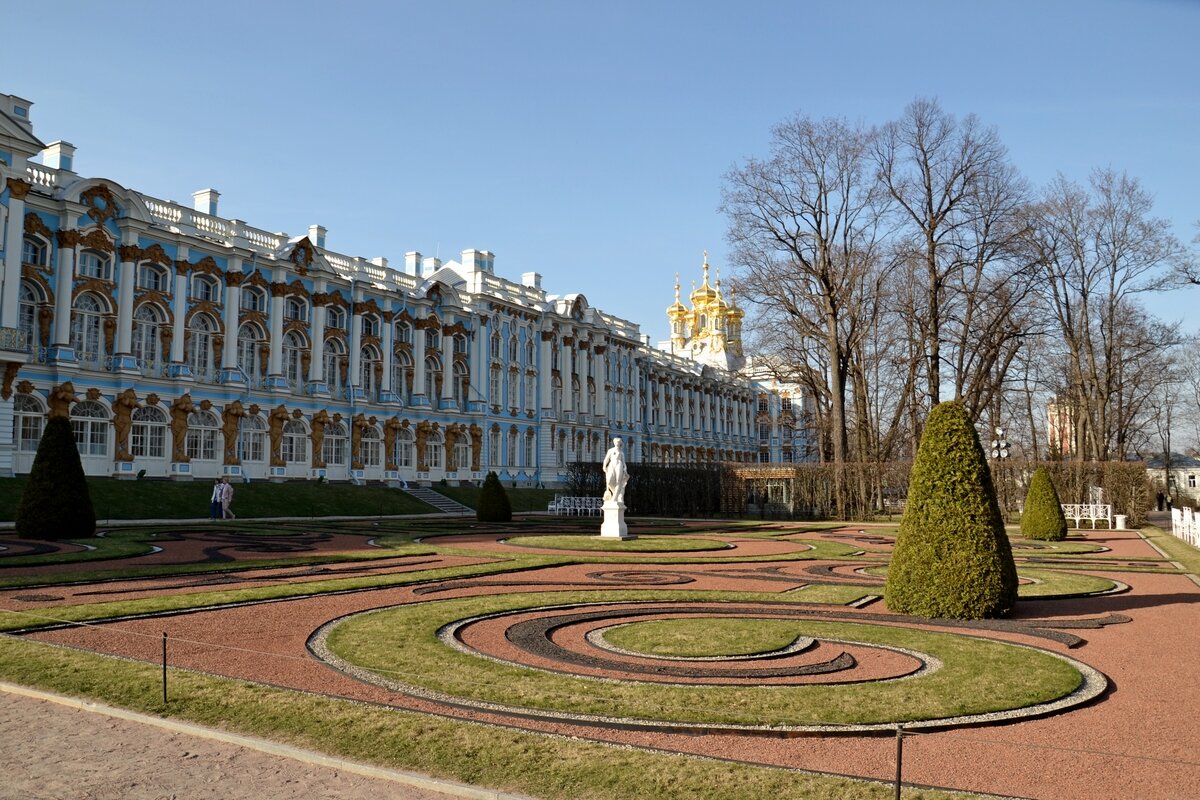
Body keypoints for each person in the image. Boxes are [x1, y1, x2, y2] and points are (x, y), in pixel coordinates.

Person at [602, 437, 628, 504]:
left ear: (620, 444)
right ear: (614, 443)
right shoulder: (610, 450)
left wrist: (625, 469)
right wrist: (604, 466)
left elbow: (624, 463)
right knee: (609, 481)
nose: (617, 443)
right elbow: (606, 459)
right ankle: (616, 493)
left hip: (619, 464)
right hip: (611, 465)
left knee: (618, 481)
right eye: (616, 442)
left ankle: (615, 497)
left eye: (618, 442)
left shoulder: (621, 453)